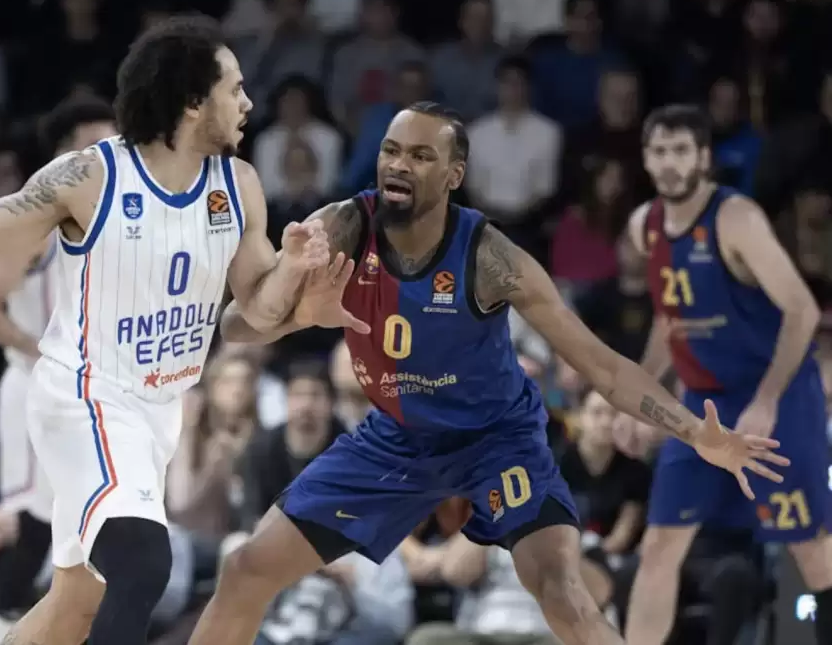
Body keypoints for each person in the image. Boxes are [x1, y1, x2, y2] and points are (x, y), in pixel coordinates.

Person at [0, 15, 334, 645]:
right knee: (142, 564)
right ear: (194, 101)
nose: (249, 102)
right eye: (235, 88)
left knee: (76, 603)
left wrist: (292, 275)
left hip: (158, 411)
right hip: (85, 395)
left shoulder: (239, 185)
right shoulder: (90, 177)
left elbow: (256, 313)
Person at [186, 101, 788, 645]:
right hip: (395, 438)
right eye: (391, 150)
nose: (399, 165)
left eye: (421, 155)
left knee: (561, 591)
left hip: (496, 440)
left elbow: (602, 365)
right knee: (245, 568)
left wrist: (694, 431)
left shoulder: (490, 256)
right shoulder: (343, 226)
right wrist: (295, 314)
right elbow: (239, 326)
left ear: (454, 175)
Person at [621, 104, 832, 645]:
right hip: (703, 405)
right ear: (646, 159)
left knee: (811, 547)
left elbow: (803, 310)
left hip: (777, 394)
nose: (670, 163)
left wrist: (767, 399)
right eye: (660, 151)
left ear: (704, 157)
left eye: (681, 151)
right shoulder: (645, 225)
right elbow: (669, 319)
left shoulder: (735, 219)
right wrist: (637, 396)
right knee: (659, 545)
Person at [0, 99, 117, 645]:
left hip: (91, 391)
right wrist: (41, 350)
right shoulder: (35, 222)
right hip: (37, 387)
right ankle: (1, 630)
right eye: (94, 148)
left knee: (88, 531)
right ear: (64, 157)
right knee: (31, 527)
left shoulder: (118, 220)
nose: (107, 159)